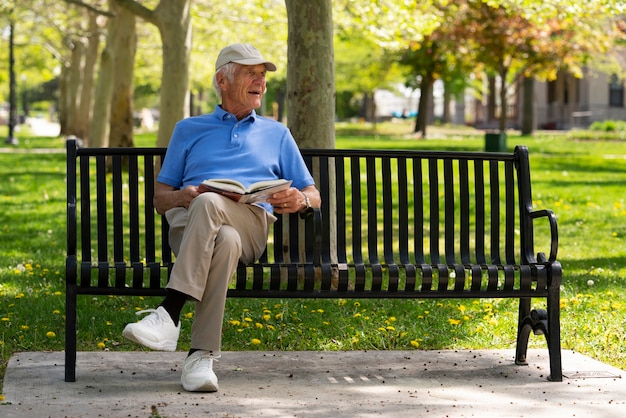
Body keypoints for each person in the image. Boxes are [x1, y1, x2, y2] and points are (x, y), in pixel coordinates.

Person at [122, 43, 321, 392]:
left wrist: (300, 199)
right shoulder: (188, 129)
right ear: (222, 80)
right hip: (189, 226)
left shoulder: (277, 133)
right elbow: (160, 200)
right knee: (222, 237)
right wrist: (183, 196)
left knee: (214, 207)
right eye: (250, 73)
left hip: (252, 225)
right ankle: (200, 358)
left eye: (263, 75)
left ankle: (169, 312)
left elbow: (313, 195)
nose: (260, 81)